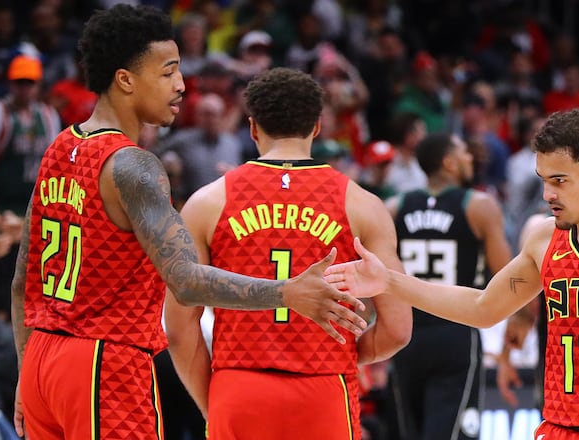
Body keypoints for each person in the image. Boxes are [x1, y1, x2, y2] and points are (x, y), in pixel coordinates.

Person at [10, 6, 368, 440]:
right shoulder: (133, 165)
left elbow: (22, 281)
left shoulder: (58, 147)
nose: (181, 85)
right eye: (167, 72)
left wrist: (26, 371)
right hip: (103, 360)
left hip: (41, 358)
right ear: (125, 79)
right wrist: (287, 292)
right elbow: (185, 281)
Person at [326, 109, 579, 440]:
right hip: (559, 429)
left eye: (560, 181)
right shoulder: (544, 237)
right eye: (544, 180)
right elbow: (482, 307)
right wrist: (389, 281)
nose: (548, 194)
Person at [164, 67, 412, 440]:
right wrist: (340, 355)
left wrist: (213, 401)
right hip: (324, 387)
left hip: (239, 385)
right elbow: (397, 328)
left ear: (252, 128)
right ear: (317, 127)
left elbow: (180, 327)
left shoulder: (207, 202)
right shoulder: (363, 204)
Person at [386, 132, 511, 439]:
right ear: (449, 163)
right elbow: (508, 276)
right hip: (456, 331)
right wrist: (515, 329)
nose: (470, 158)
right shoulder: (479, 206)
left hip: (405, 334)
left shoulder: (394, 207)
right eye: (464, 152)